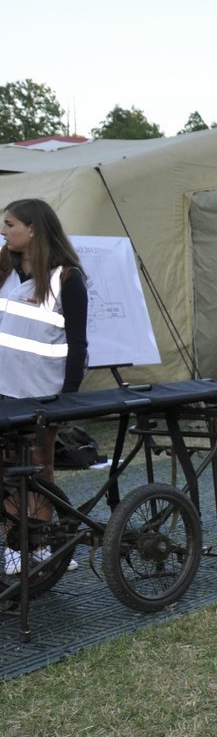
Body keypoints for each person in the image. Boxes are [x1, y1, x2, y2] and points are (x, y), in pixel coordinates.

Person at [1, 198, 89, 574]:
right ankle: (12, 547)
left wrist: (66, 398)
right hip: (3, 392)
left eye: (9, 224)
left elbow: (78, 343)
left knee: (39, 470)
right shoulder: (2, 269)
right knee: (6, 473)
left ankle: (42, 545)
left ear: (33, 229)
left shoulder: (66, 278)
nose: (3, 231)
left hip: (42, 394)